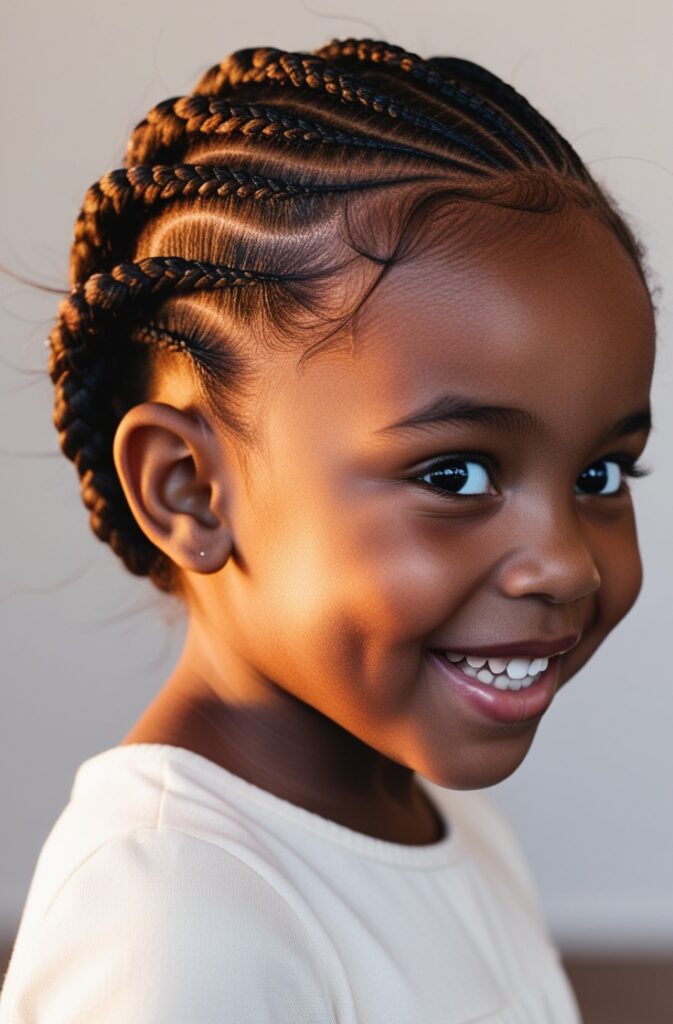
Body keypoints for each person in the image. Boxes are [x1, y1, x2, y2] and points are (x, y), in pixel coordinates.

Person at [0, 36, 656, 1024]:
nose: (564, 562)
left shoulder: (443, 821)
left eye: (600, 473)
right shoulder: (170, 921)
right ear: (190, 491)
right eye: (456, 472)